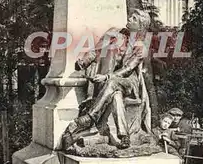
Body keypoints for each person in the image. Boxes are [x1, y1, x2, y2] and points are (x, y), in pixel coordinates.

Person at [61, 10, 152, 151]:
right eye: (131, 16)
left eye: (134, 19)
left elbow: (128, 69)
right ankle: (124, 135)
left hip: (129, 83)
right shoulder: (117, 35)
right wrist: (84, 62)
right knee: (116, 95)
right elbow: (97, 50)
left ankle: (88, 118)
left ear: (140, 26)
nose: (129, 18)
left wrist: (106, 77)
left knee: (112, 82)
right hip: (114, 84)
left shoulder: (141, 47)